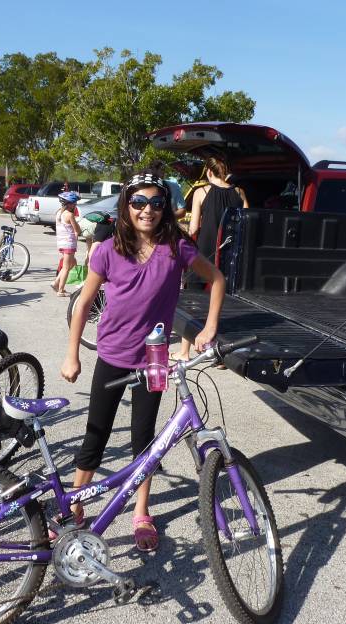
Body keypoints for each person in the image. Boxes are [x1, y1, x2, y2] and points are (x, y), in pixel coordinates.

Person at [60, 171, 225, 552]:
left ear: (165, 207)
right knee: (95, 434)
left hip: (152, 360)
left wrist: (209, 327)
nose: (147, 210)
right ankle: (75, 504)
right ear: (126, 206)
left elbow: (217, 278)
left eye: (155, 202)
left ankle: (141, 511)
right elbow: (84, 304)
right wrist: (72, 355)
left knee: (144, 440)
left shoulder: (176, 247)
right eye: (138, 202)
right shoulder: (107, 249)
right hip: (112, 355)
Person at [173, 156, 249, 360]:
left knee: (193, 301)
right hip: (230, 253)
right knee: (224, 301)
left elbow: (194, 226)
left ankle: (184, 352)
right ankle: (224, 354)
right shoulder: (239, 192)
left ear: (208, 172)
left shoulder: (201, 192)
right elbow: (248, 222)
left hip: (204, 251)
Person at [51, 191, 82, 297]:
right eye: (74, 203)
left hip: (61, 243)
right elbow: (77, 229)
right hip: (69, 244)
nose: (75, 205)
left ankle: (55, 283)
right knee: (66, 267)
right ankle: (60, 289)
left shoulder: (59, 213)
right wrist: (78, 228)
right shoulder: (70, 215)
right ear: (69, 204)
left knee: (73, 263)